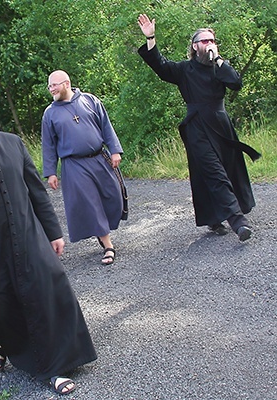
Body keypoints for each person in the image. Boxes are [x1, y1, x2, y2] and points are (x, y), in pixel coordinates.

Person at [0, 86, 97, 395]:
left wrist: (54, 233)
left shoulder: (12, 142)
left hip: (28, 236)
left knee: (49, 292)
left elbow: (36, 190)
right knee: (1, 303)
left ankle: (55, 365)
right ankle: (5, 343)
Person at [137, 13, 261, 241]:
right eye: (205, 41)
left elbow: (236, 84)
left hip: (221, 126)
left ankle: (213, 218)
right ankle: (238, 221)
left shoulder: (220, 67)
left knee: (225, 170)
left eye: (212, 41)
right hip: (197, 127)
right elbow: (160, 66)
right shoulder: (185, 69)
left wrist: (219, 60)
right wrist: (151, 38)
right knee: (214, 172)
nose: (209, 44)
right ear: (195, 46)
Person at [41, 70, 127, 265]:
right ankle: (108, 245)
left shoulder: (89, 100)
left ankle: (104, 230)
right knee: (91, 203)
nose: (51, 89)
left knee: (113, 196)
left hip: (99, 158)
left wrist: (114, 150)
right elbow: (48, 145)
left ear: (66, 83)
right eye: (49, 86)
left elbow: (106, 126)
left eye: (54, 85)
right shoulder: (50, 113)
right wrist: (51, 172)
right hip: (74, 165)